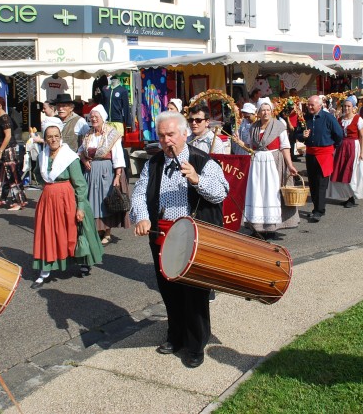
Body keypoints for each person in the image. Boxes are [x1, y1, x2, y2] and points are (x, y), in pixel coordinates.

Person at [130, 111, 228, 368]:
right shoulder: (153, 164)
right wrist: (141, 217)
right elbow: (139, 194)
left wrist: (197, 179)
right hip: (162, 234)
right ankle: (175, 336)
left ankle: (196, 345)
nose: (166, 140)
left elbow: (221, 193)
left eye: (171, 134)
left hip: (193, 237)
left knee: (194, 293)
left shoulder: (203, 161)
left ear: (184, 134)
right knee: (169, 289)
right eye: (161, 136)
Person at [32, 121, 103, 285]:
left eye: (56, 136)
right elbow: (37, 173)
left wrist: (80, 206)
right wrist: (48, 188)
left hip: (67, 200)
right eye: (49, 137)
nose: (53, 139)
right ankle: (45, 270)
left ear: (61, 137)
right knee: (48, 233)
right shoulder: (43, 156)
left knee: (73, 231)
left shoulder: (69, 157)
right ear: (45, 139)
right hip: (48, 200)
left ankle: (83, 262)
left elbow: (80, 184)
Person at [243, 98, 300, 238]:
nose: (265, 113)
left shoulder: (279, 126)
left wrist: (290, 165)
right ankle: (257, 226)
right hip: (257, 164)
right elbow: (250, 147)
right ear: (258, 112)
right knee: (257, 193)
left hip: (273, 162)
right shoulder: (254, 127)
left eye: (268, 110)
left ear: (272, 111)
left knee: (272, 194)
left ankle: (271, 227)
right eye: (263, 110)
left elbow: (285, 146)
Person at [78, 105, 130, 245]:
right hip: (90, 172)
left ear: (103, 118)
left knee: (104, 201)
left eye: (96, 117)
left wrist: (118, 176)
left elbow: (118, 156)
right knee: (92, 201)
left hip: (106, 171)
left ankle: (107, 232)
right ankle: (97, 230)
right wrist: (84, 160)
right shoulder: (88, 134)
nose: (93, 119)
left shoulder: (111, 134)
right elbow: (80, 151)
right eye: (92, 117)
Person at [297, 95, 343, 222]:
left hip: (324, 154)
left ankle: (319, 210)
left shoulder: (328, 118)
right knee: (312, 182)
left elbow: (339, 134)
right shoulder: (305, 118)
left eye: (312, 105)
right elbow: (297, 133)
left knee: (321, 183)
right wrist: (302, 136)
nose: (309, 107)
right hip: (311, 153)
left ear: (319, 105)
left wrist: (334, 146)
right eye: (308, 104)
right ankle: (316, 208)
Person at [0, 96, 27, 211]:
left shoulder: (5, 118)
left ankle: (19, 201)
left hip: (8, 150)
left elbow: (8, 136)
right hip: (2, 149)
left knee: (13, 175)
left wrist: (0, 151)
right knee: (1, 176)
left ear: (0, 105)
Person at [327, 99, 363, 208]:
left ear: (353, 107)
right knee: (341, 171)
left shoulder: (357, 119)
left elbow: (362, 136)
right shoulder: (340, 119)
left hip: (353, 146)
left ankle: (352, 197)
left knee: (352, 172)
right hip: (342, 147)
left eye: (349, 106)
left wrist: (362, 150)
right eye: (345, 106)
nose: (346, 108)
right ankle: (347, 195)